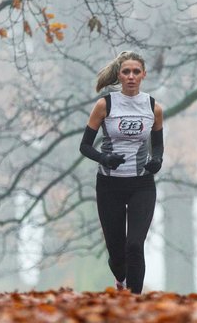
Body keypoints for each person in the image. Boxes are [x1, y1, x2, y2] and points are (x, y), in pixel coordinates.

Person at [79, 50, 164, 294]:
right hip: (109, 185)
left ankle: (135, 304)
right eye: (126, 71)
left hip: (142, 185)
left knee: (135, 246)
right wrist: (103, 157)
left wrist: (156, 160)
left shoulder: (153, 107)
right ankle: (121, 281)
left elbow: (157, 145)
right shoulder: (104, 104)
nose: (131, 76)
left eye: (136, 72)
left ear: (143, 75)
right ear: (119, 74)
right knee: (117, 255)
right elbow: (84, 146)